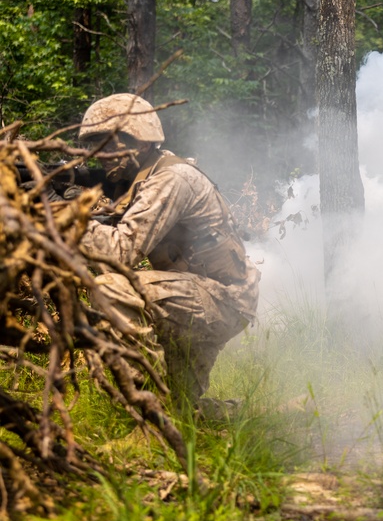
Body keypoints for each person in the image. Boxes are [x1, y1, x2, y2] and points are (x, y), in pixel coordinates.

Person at [77, 93, 260, 415]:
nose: (100, 155)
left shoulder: (171, 179)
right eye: (95, 145)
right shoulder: (140, 179)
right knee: (182, 411)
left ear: (142, 143)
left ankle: (147, 425)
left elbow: (121, 251)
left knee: (111, 289)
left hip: (220, 300)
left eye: (109, 144)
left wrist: (63, 218)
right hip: (193, 298)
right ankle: (249, 415)